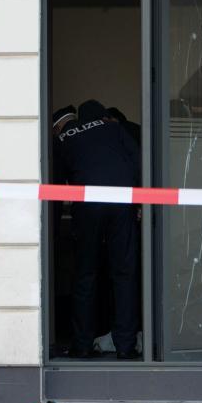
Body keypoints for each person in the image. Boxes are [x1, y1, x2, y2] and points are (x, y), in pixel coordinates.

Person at [56, 100, 141, 360]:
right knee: (124, 274)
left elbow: (56, 184)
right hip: (122, 201)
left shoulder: (64, 138)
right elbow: (139, 159)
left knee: (86, 274)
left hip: (88, 204)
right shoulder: (113, 127)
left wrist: (54, 225)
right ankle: (126, 347)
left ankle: (82, 345)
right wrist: (140, 202)